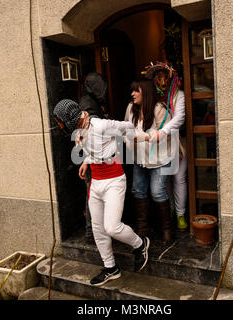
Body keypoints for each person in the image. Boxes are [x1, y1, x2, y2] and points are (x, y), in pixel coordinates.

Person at [53, 99, 150, 286]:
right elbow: (96, 149)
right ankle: (111, 268)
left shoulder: (102, 125)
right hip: (96, 182)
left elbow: (128, 126)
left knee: (112, 227)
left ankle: (140, 244)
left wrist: (142, 136)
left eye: (60, 121)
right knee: (98, 229)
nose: (60, 125)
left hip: (114, 180)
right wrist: (86, 162)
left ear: (70, 118)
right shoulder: (81, 129)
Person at [124, 79, 174, 245]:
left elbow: (167, 133)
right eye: (132, 91)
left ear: (145, 91)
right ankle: (143, 229)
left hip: (160, 158)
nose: (132, 94)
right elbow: (124, 129)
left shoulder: (159, 109)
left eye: (136, 90)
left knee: (157, 191)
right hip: (140, 158)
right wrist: (129, 141)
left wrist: (145, 137)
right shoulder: (131, 109)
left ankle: (167, 230)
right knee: (138, 190)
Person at [143, 61, 188, 233]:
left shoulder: (179, 95)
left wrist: (162, 132)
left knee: (179, 178)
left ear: (171, 78)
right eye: (158, 78)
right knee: (165, 180)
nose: (162, 82)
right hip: (159, 146)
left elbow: (179, 118)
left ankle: (180, 214)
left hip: (177, 143)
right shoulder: (153, 98)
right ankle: (169, 210)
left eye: (164, 77)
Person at [78, 72, 108, 242]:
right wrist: (87, 161)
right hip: (90, 157)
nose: (103, 90)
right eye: (100, 86)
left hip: (90, 156)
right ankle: (91, 232)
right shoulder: (88, 105)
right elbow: (89, 134)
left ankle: (92, 231)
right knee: (92, 193)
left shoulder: (91, 102)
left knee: (92, 193)